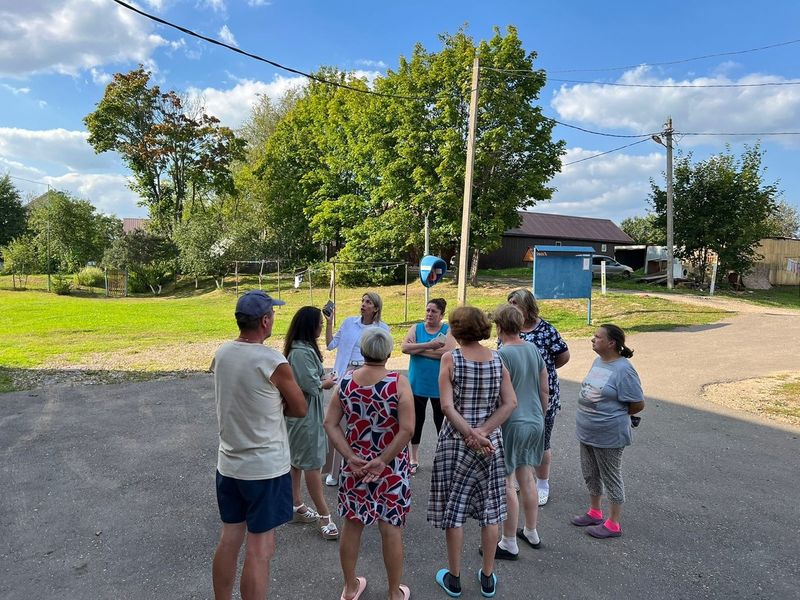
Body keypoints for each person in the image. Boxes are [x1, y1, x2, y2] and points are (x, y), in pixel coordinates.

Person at [210, 290, 307, 600]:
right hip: (265, 469)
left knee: (229, 539)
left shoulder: (222, 353)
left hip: (229, 465)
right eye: (273, 315)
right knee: (260, 548)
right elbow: (300, 408)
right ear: (265, 321)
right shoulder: (272, 361)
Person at [428, 306, 517, 598]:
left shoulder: (450, 359)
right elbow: (509, 403)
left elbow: (446, 406)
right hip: (491, 444)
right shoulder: (497, 358)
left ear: (455, 329)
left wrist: (470, 434)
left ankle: (454, 579)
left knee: (455, 509)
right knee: (490, 510)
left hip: (457, 441)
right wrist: (484, 432)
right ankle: (488, 577)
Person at [323, 328, 414, 600]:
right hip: (391, 468)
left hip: (356, 466)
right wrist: (383, 460)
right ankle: (393, 593)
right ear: (388, 352)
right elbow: (407, 429)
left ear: (362, 351)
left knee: (352, 525)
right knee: (391, 528)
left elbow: (330, 423)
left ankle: (350, 586)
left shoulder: (347, 382)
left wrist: (349, 456)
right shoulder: (397, 383)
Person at [571, 324, 645, 539]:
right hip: (587, 430)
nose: (592, 340)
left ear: (611, 343)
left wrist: (614, 416)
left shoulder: (624, 369)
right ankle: (595, 512)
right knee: (590, 473)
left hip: (608, 434)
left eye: (597, 337)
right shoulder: (599, 361)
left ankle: (613, 523)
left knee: (610, 476)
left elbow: (637, 403)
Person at [490, 304, 549, 560]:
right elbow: (544, 387)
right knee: (527, 477)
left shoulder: (501, 354)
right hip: (535, 419)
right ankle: (532, 531)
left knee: (507, 482)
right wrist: (541, 414)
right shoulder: (533, 349)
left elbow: (498, 394)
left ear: (500, 326)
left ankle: (509, 540)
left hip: (512, 422)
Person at [505, 288, 570, 506]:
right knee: (512, 439)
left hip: (542, 395)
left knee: (542, 441)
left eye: (515, 302)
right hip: (514, 395)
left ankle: (542, 483)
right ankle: (515, 478)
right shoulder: (509, 329)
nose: (510, 306)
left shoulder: (546, 329)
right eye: (509, 302)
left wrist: (545, 370)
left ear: (527, 305)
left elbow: (563, 356)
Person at [283, 306, 340, 540]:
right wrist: (326, 382)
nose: (320, 326)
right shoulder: (300, 352)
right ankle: (325, 516)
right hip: (304, 414)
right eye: (319, 322)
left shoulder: (302, 348)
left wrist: (322, 380)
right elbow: (309, 384)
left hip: (304, 413)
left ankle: (296, 505)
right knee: (311, 464)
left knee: (297, 461)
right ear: (309, 325)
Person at [323, 292, 390, 486]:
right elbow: (330, 345)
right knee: (338, 424)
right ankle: (334, 472)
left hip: (369, 375)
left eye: (368, 302)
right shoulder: (348, 323)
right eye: (363, 301)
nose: (363, 304)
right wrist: (329, 323)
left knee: (363, 425)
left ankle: (366, 467)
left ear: (376, 308)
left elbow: (385, 354)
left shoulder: (382, 328)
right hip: (346, 375)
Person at [401, 298, 456, 474]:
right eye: (427, 310)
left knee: (441, 423)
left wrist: (417, 349)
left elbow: (448, 353)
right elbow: (404, 348)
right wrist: (430, 346)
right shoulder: (416, 328)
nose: (429, 314)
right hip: (417, 384)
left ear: (441, 315)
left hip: (440, 385)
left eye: (433, 312)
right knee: (416, 422)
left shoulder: (448, 330)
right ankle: (413, 458)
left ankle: (442, 459)